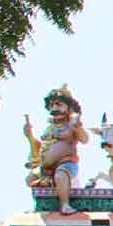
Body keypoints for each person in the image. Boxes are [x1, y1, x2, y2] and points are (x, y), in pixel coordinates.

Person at [25, 85, 87, 214]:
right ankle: (42, 204)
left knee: (60, 176)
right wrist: (29, 136)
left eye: (58, 105)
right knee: (30, 178)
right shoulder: (49, 128)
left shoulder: (71, 124)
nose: (54, 108)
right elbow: (40, 147)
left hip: (65, 164)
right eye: (52, 105)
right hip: (47, 169)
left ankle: (65, 205)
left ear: (68, 107)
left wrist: (77, 128)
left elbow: (85, 139)